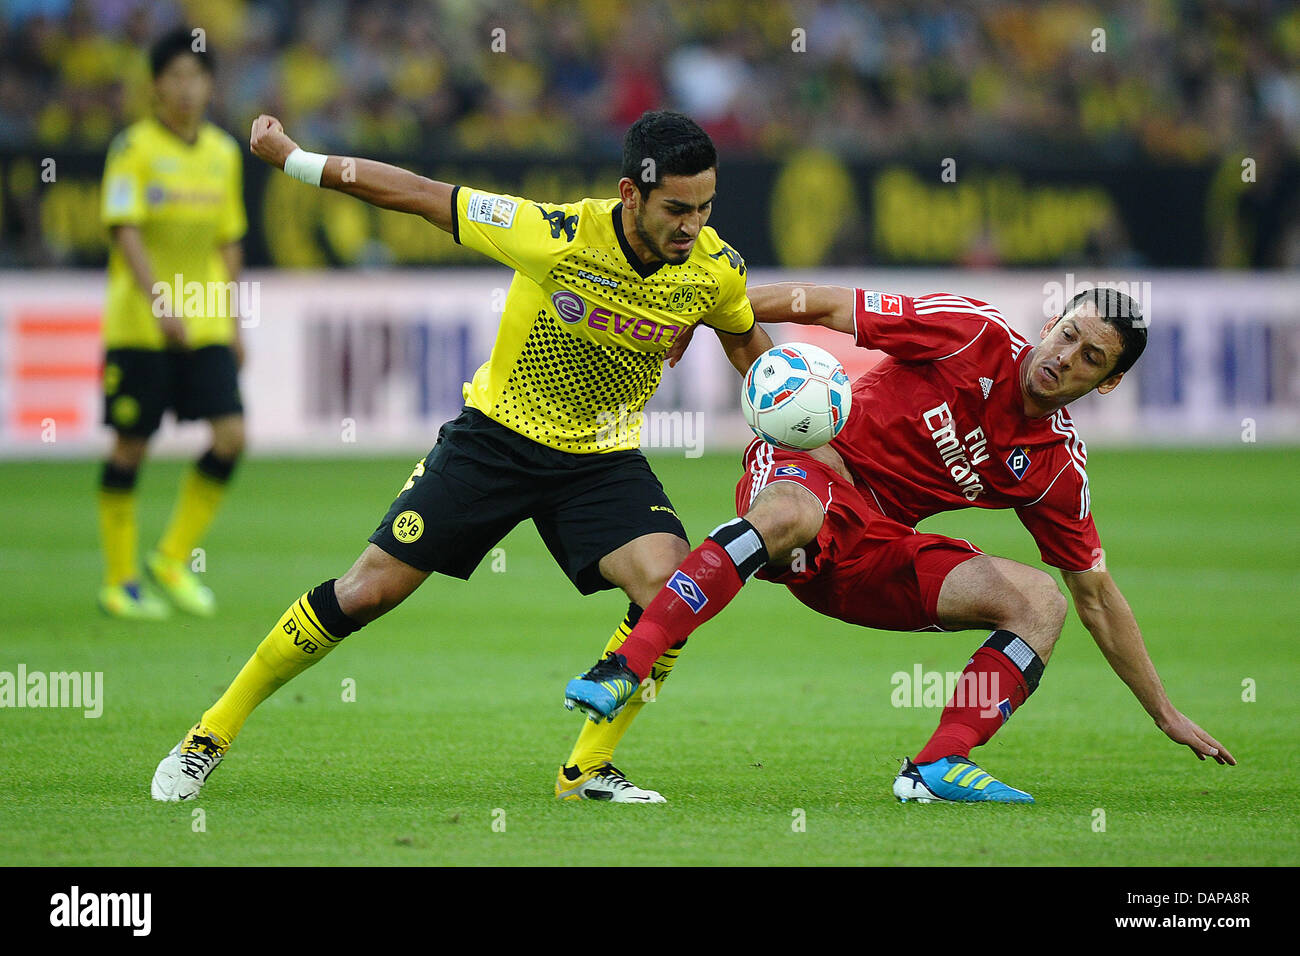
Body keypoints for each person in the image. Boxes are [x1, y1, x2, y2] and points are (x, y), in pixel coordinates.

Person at [150, 109, 773, 803]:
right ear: (631, 195)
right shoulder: (555, 235)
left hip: (602, 458)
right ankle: (211, 731)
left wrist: (789, 424)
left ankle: (586, 770)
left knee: (671, 591)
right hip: (497, 440)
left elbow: (744, 338)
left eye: (705, 207)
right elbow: (418, 192)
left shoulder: (713, 269)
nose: (692, 225)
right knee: (366, 592)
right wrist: (298, 161)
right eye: (676, 209)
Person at [565, 283, 1236, 802]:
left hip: (869, 547)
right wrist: (716, 309)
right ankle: (628, 664)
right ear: (1048, 326)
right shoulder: (969, 333)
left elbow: (1097, 596)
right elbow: (827, 306)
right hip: (811, 470)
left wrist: (1164, 711)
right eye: (1067, 336)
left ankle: (939, 763)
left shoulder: (1056, 467)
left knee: (1042, 602)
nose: (1064, 358)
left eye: (1091, 357)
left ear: (1110, 382)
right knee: (794, 512)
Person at [98, 26, 247, 620]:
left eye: (196, 76)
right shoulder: (132, 149)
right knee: (132, 445)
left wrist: (233, 321)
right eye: (174, 77)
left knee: (231, 436)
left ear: (209, 85)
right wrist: (161, 304)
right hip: (140, 323)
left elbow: (230, 238)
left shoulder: (223, 153)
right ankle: (120, 581)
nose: (186, 89)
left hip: (206, 319)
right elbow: (124, 229)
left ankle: (172, 556)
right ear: (155, 86)